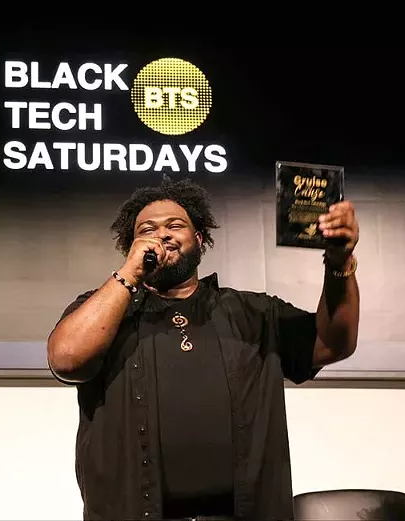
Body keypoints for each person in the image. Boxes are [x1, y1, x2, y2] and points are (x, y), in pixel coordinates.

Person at [47, 178, 360, 521]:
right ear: (130, 247)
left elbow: (333, 343)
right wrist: (130, 272)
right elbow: (66, 359)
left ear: (199, 240)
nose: (161, 234)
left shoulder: (254, 313)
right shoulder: (104, 310)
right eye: (146, 229)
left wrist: (339, 261)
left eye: (175, 225)